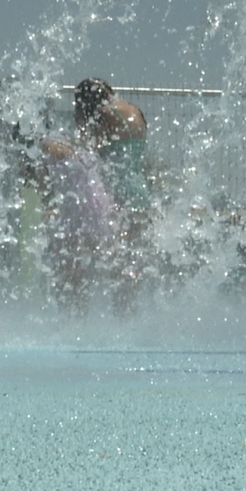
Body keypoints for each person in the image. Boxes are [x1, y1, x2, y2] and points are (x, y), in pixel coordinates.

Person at [39, 77, 151, 316]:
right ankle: (128, 319)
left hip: (119, 194)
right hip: (140, 191)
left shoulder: (103, 114)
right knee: (129, 264)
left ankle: (81, 317)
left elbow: (86, 151)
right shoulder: (136, 112)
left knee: (90, 259)